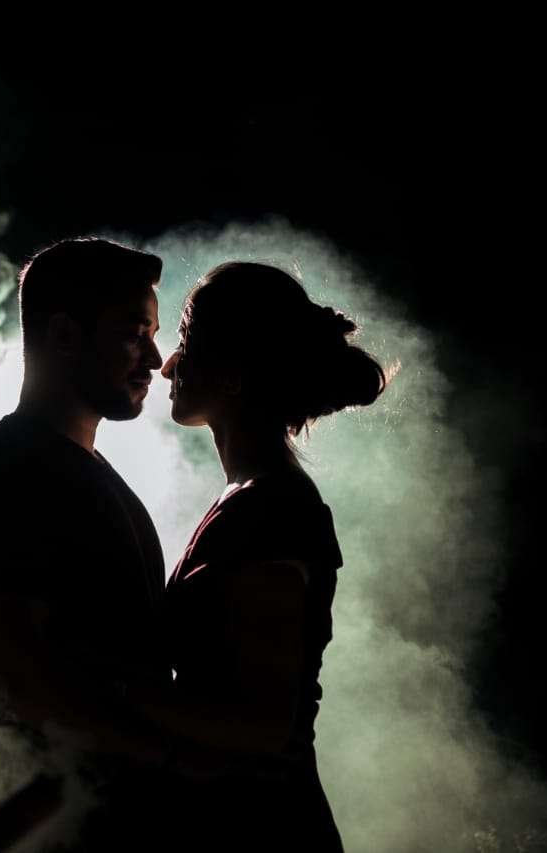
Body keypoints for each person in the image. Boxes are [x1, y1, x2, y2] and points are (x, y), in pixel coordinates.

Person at [131, 261, 389, 850]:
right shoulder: (252, 500)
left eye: (187, 340)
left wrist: (109, 689)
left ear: (232, 374)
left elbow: (262, 726)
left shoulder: (274, 510)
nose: (168, 364)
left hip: (265, 828)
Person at [0, 237, 180, 847]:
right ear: (65, 335)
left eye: (153, 334)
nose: (155, 358)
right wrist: (176, 757)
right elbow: (11, 674)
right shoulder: (0, 476)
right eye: (135, 334)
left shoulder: (92, 473)